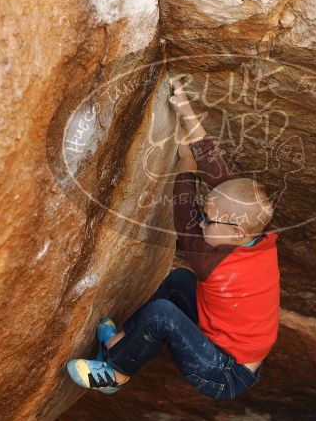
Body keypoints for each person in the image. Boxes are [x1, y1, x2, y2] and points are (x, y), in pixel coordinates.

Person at [66, 76, 280, 400]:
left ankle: (115, 373)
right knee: (179, 281)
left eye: (209, 219)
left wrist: (185, 165)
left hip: (224, 371)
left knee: (163, 314)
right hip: (224, 340)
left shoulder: (212, 260)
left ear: (236, 232)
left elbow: (184, 217)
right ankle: (117, 344)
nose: (203, 221)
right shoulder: (249, 228)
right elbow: (216, 164)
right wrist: (183, 107)